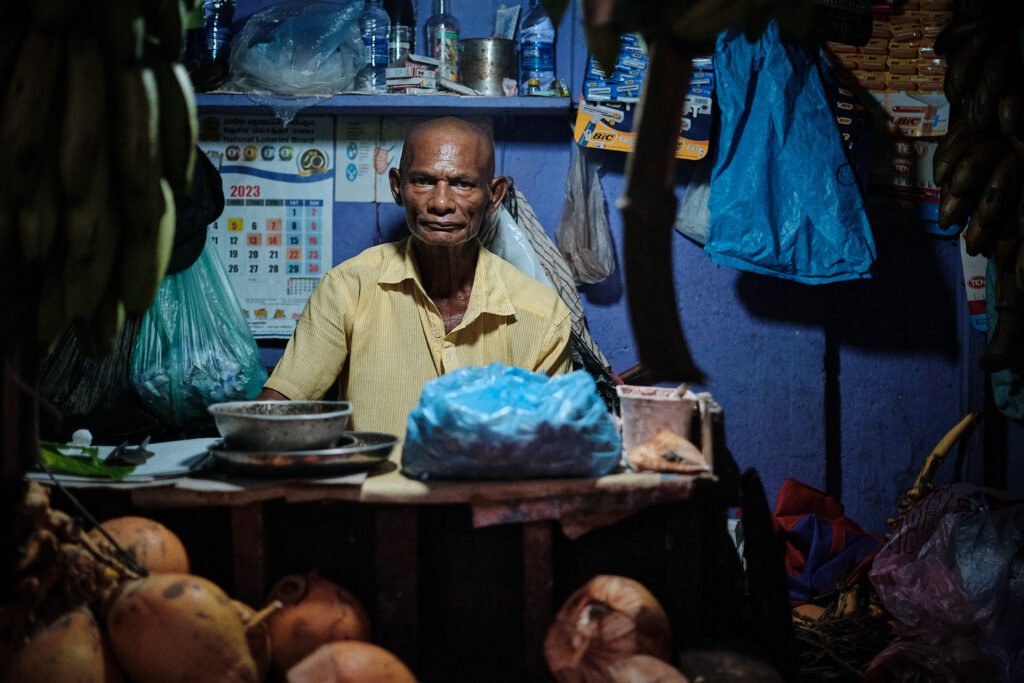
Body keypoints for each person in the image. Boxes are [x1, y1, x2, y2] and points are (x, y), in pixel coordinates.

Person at [257, 117, 572, 437]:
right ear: (397, 187)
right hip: (376, 471)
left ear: (493, 195)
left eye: (463, 184)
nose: (441, 203)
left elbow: (556, 443)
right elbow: (279, 406)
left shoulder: (542, 315)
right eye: (423, 181)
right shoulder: (349, 288)